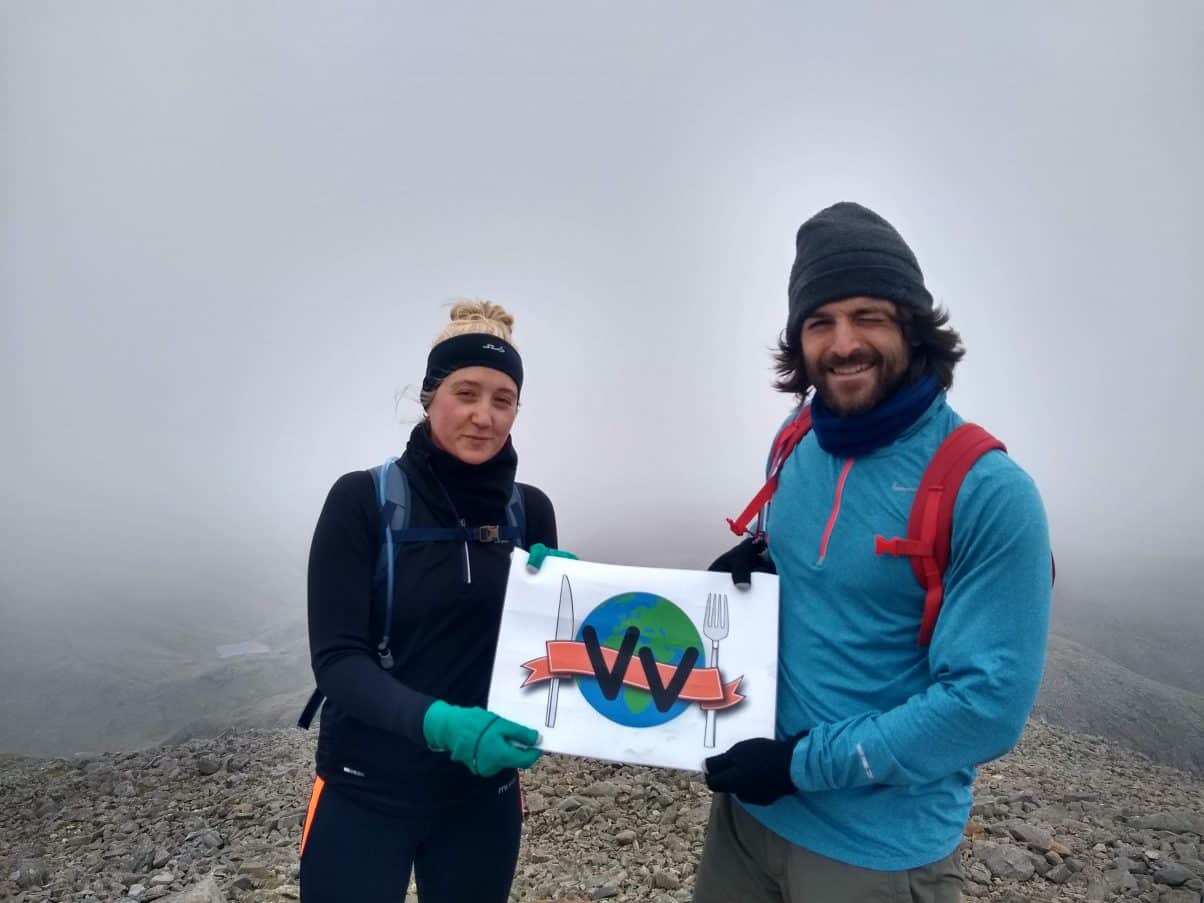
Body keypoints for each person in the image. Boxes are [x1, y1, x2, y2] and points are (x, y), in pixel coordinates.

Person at [695, 202, 1051, 903]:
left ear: (914, 329)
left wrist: (801, 764)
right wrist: (755, 561)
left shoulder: (988, 492)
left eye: (869, 316)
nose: (842, 342)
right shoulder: (795, 440)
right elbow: (819, 565)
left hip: (877, 852)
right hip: (748, 820)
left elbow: (984, 707)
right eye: (819, 322)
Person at [299, 301, 558, 902]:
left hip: (482, 795)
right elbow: (337, 661)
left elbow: (543, 661)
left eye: (503, 399)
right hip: (364, 790)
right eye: (466, 392)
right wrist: (441, 724)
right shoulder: (362, 500)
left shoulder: (531, 511)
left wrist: (573, 602)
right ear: (428, 396)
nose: (484, 416)